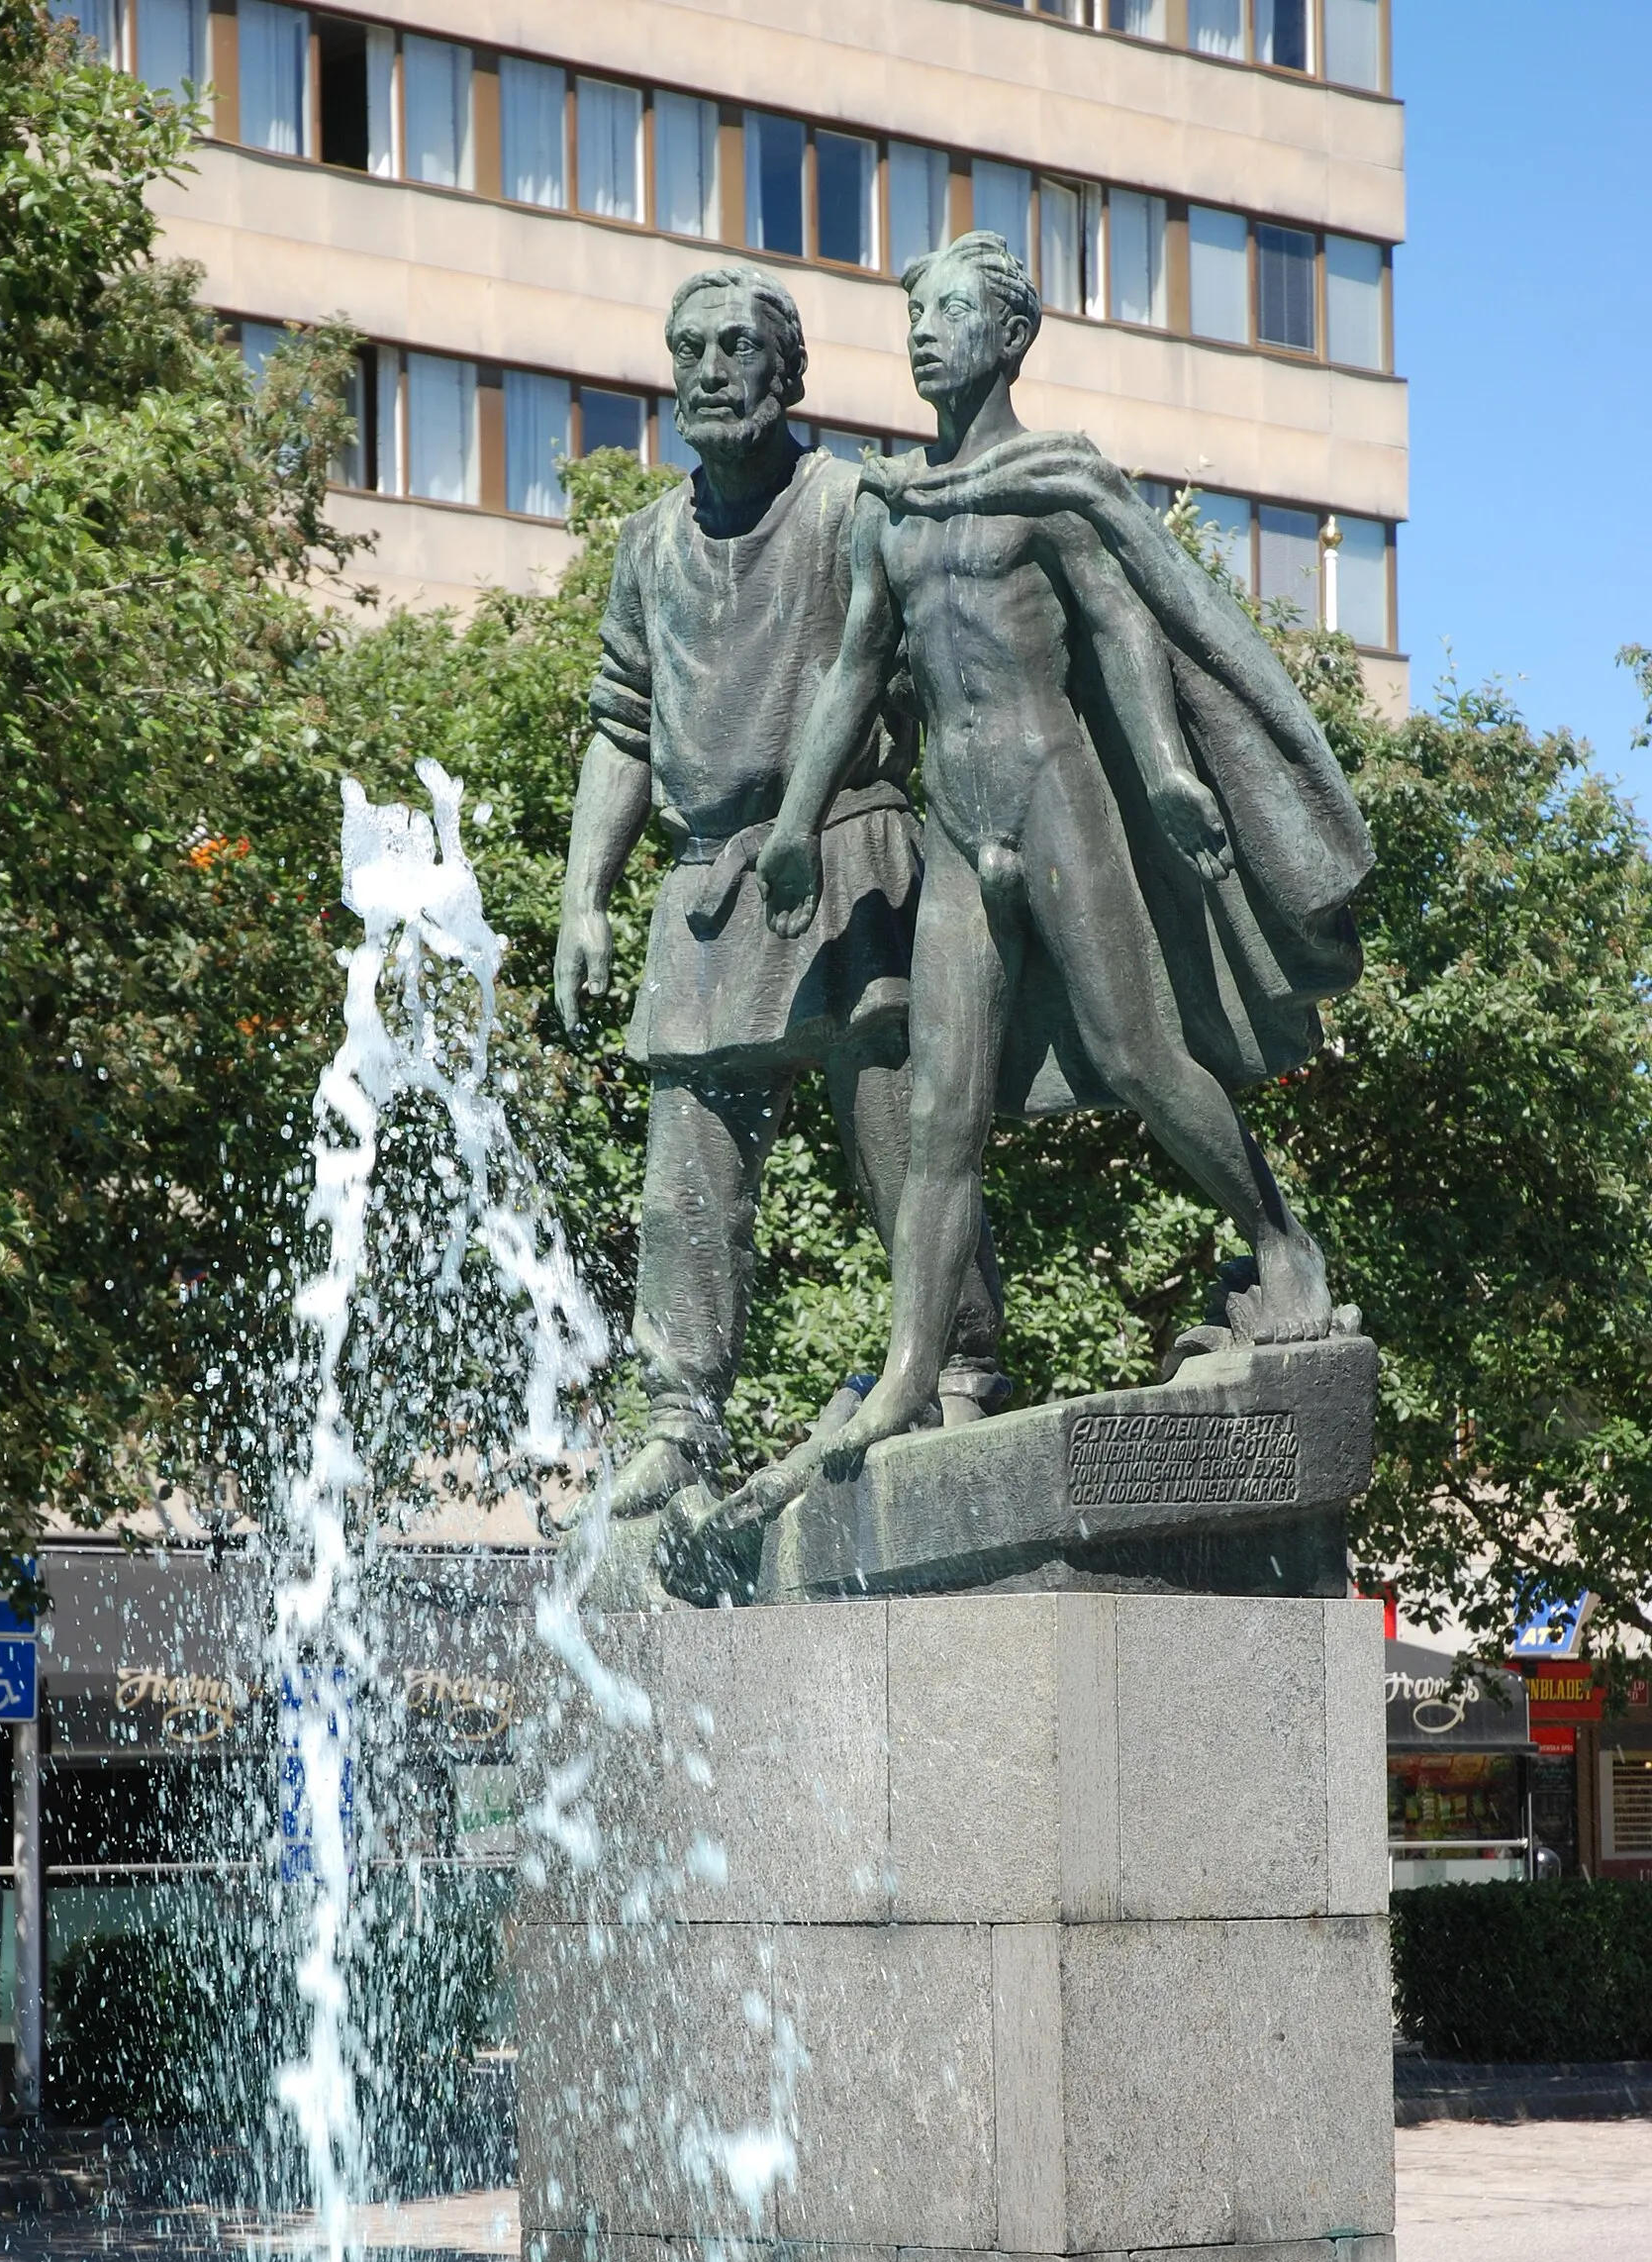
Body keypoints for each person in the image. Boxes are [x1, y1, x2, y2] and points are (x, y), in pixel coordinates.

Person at [755, 231, 1373, 1471]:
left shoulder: (1052, 482)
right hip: (954, 824)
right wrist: (790, 821)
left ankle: (1278, 1236)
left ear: (1010, 334)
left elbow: (1123, 626)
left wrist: (1163, 767)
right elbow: (847, 676)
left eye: (947, 312)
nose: (923, 333)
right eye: (912, 315)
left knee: (1139, 1056)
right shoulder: (889, 512)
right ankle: (907, 1374)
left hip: (1057, 799)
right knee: (939, 1110)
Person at [554, 261, 999, 1521]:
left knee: (904, 1139)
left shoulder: (853, 502)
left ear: (785, 372)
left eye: (736, 347)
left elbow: (945, 678)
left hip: (848, 853)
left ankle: (958, 1362)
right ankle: (679, 1419)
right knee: (683, 1174)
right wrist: (585, 894)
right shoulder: (646, 543)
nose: (707, 369)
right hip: (703, 886)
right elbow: (621, 724)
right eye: (685, 346)